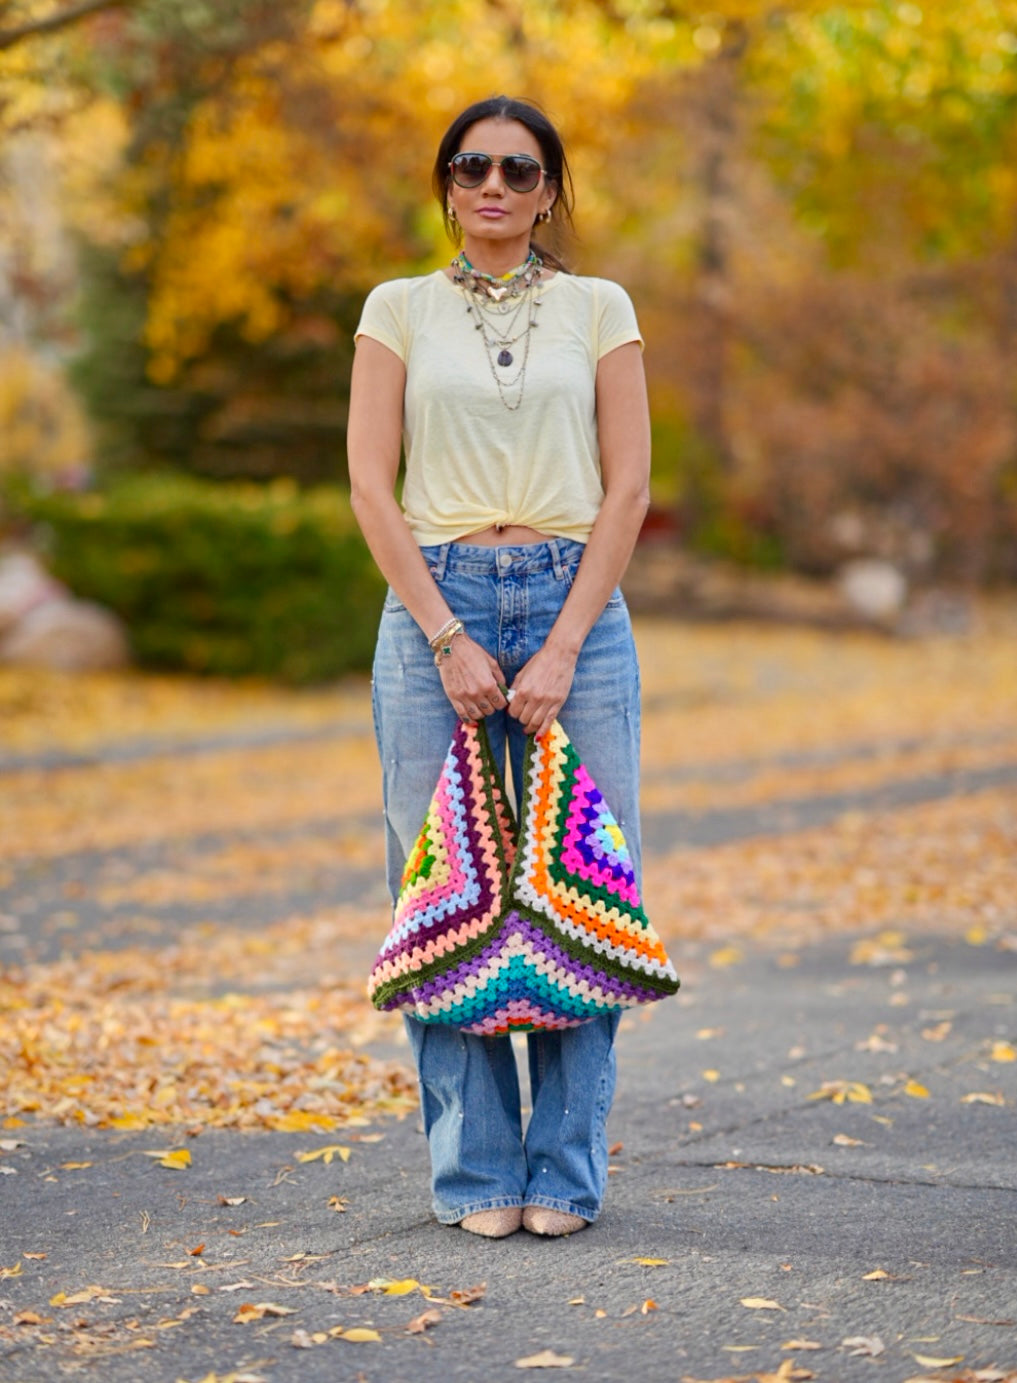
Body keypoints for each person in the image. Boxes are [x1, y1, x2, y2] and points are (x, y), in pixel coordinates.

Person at [347, 95, 651, 1240]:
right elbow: (373, 485)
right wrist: (446, 635)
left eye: (519, 171)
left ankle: (563, 1172)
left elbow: (627, 486)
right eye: (472, 166)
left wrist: (566, 639)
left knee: (587, 892)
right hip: (437, 607)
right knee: (438, 894)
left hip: (581, 607)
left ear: (548, 191)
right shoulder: (398, 309)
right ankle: (477, 1174)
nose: (494, 185)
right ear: (445, 184)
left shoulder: (599, 308)